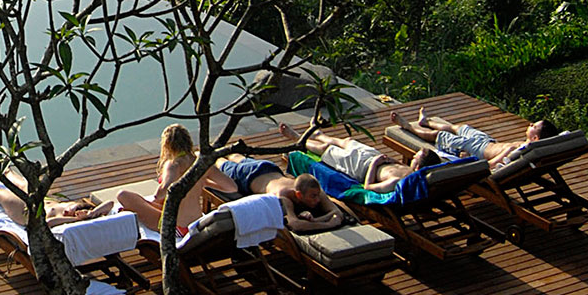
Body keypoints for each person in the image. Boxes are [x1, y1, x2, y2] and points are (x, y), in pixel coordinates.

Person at [280, 121, 441, 194]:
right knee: (348, 141)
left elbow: (368, 187)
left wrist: (375, 164)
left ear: (418, 167)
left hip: (361, 167)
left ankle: (297, 139)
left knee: (327, 150)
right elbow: (397, 168)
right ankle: (320, 134)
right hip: (374, 158)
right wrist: (390, 161)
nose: (412, 157)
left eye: (415, 158)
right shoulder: (413, 174)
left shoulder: (399, 183)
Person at [198, 156, 345, 232]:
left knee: (238, 157)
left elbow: (337, 212)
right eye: (313, 197)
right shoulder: (284, 197)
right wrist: (327, 224)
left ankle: (235, 152)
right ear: (299, 195)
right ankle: (200, 153)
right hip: (248, 176)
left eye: (317, 195)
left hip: (269, 168)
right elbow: (295, 225)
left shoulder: (315, 190)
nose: (318, 199)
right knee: (221, 162)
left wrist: (319, 220)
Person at [392, 107, 558, 169]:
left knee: (439, 136)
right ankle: (426, 121)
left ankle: (408, 126)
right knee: (460, 127)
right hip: (487, 141)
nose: (529, 125)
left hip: (473, 150)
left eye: (533, 126)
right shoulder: (527, 147)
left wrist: (469, 161)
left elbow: (491, 164)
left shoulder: (517, 150)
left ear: (535, 138)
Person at [116, 124, 207, 233]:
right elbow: (230, 187)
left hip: (175, 227)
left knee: (122, 195)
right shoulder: (198, 162)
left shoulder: (174, 165)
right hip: (195, 221)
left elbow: (162, 193)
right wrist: (203, 181)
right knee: (142, 202)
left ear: (167, 145)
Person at [0, 166, 116, 226]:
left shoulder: (67, 221)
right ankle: (8, 171)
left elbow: (49, 222)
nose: (68, 212)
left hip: (26, 213)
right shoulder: (87, 211)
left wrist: (77, 219)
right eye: (72, 209)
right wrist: (92, 213)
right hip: (41, 201)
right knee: (27, 185)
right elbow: (109, 203)